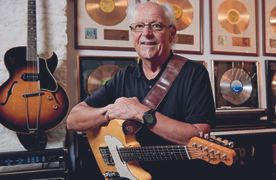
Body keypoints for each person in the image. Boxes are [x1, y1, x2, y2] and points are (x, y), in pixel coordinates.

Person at [67, 2, 216, 179]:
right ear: (133, 34)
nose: (146, 33)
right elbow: (73, 120)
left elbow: (200, 136)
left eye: (156, 26)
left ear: (172, 33)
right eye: (139, 26)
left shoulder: (194, 74)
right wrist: (108, 112)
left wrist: (142, 113)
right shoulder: (123, 76)